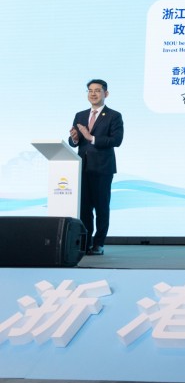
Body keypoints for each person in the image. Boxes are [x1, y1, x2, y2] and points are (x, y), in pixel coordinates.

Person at [68, 79, 124, 256]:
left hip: (102, 168)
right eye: (90, 90)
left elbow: (116, 140)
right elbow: (74, 141)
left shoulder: (114, 116)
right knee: (84, 208)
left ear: (105, 94)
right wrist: (74, 138)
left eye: (97, 91)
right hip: (82, 168)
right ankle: (85, 243)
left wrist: (91, 137)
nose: (93, 94)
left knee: (101, 208)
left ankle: (99, 243)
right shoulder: (80, 115)